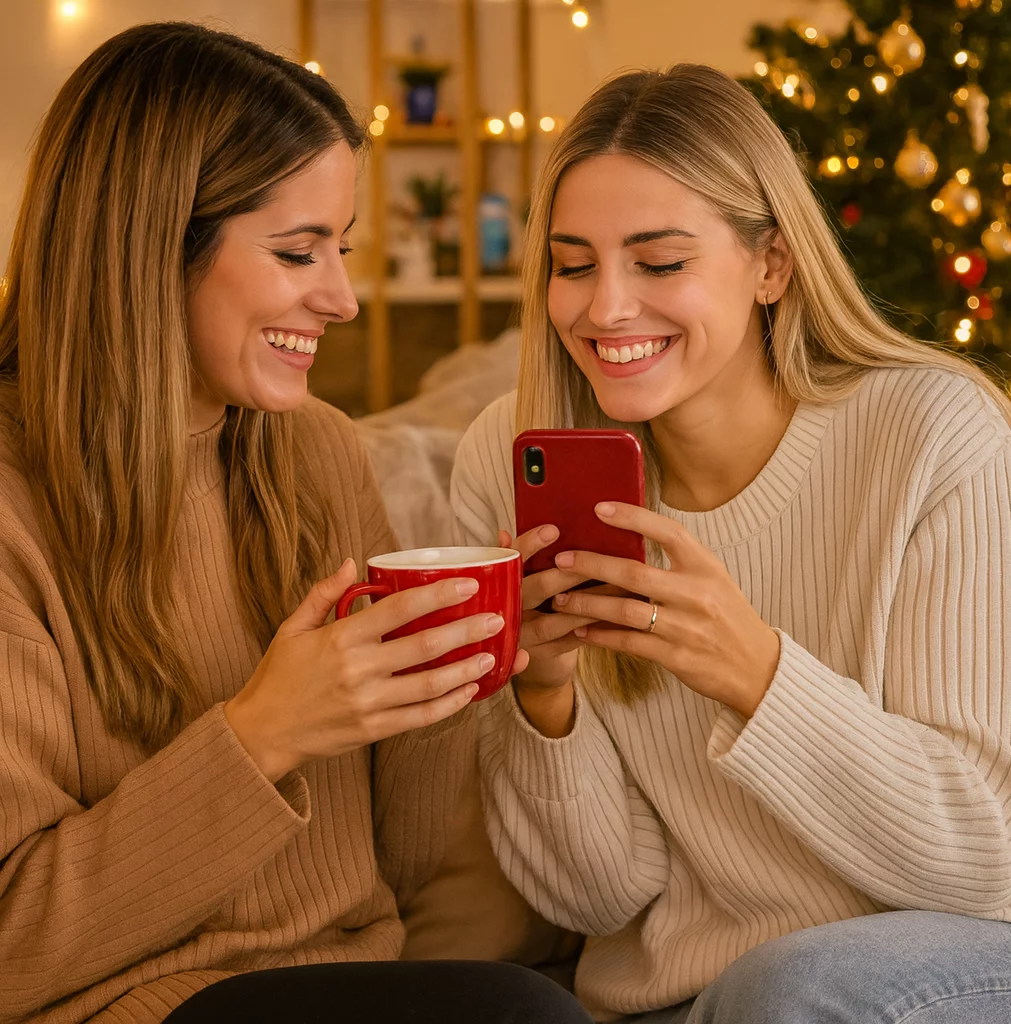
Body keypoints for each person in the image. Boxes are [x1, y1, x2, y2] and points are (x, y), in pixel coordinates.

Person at [0, 22, 594, 1024]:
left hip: (358, 981)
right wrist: (260, 732)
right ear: (150, 246)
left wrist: (456, 677)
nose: (340, 297)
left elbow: (391, 868)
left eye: (343, 248)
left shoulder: (313, 450)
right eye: (296, 250)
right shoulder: (17, 506)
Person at [451, 63, 1011, 1023]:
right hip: (689, 1001)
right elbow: (597, 900)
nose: (604, 310)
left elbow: (981, 855)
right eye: (574, 262)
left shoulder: (929, 432)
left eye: (660, 262)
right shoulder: (507, 460)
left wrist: (757, 674)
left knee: (786, 989)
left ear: (773, 265)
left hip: (942, 962)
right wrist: (543, 701)